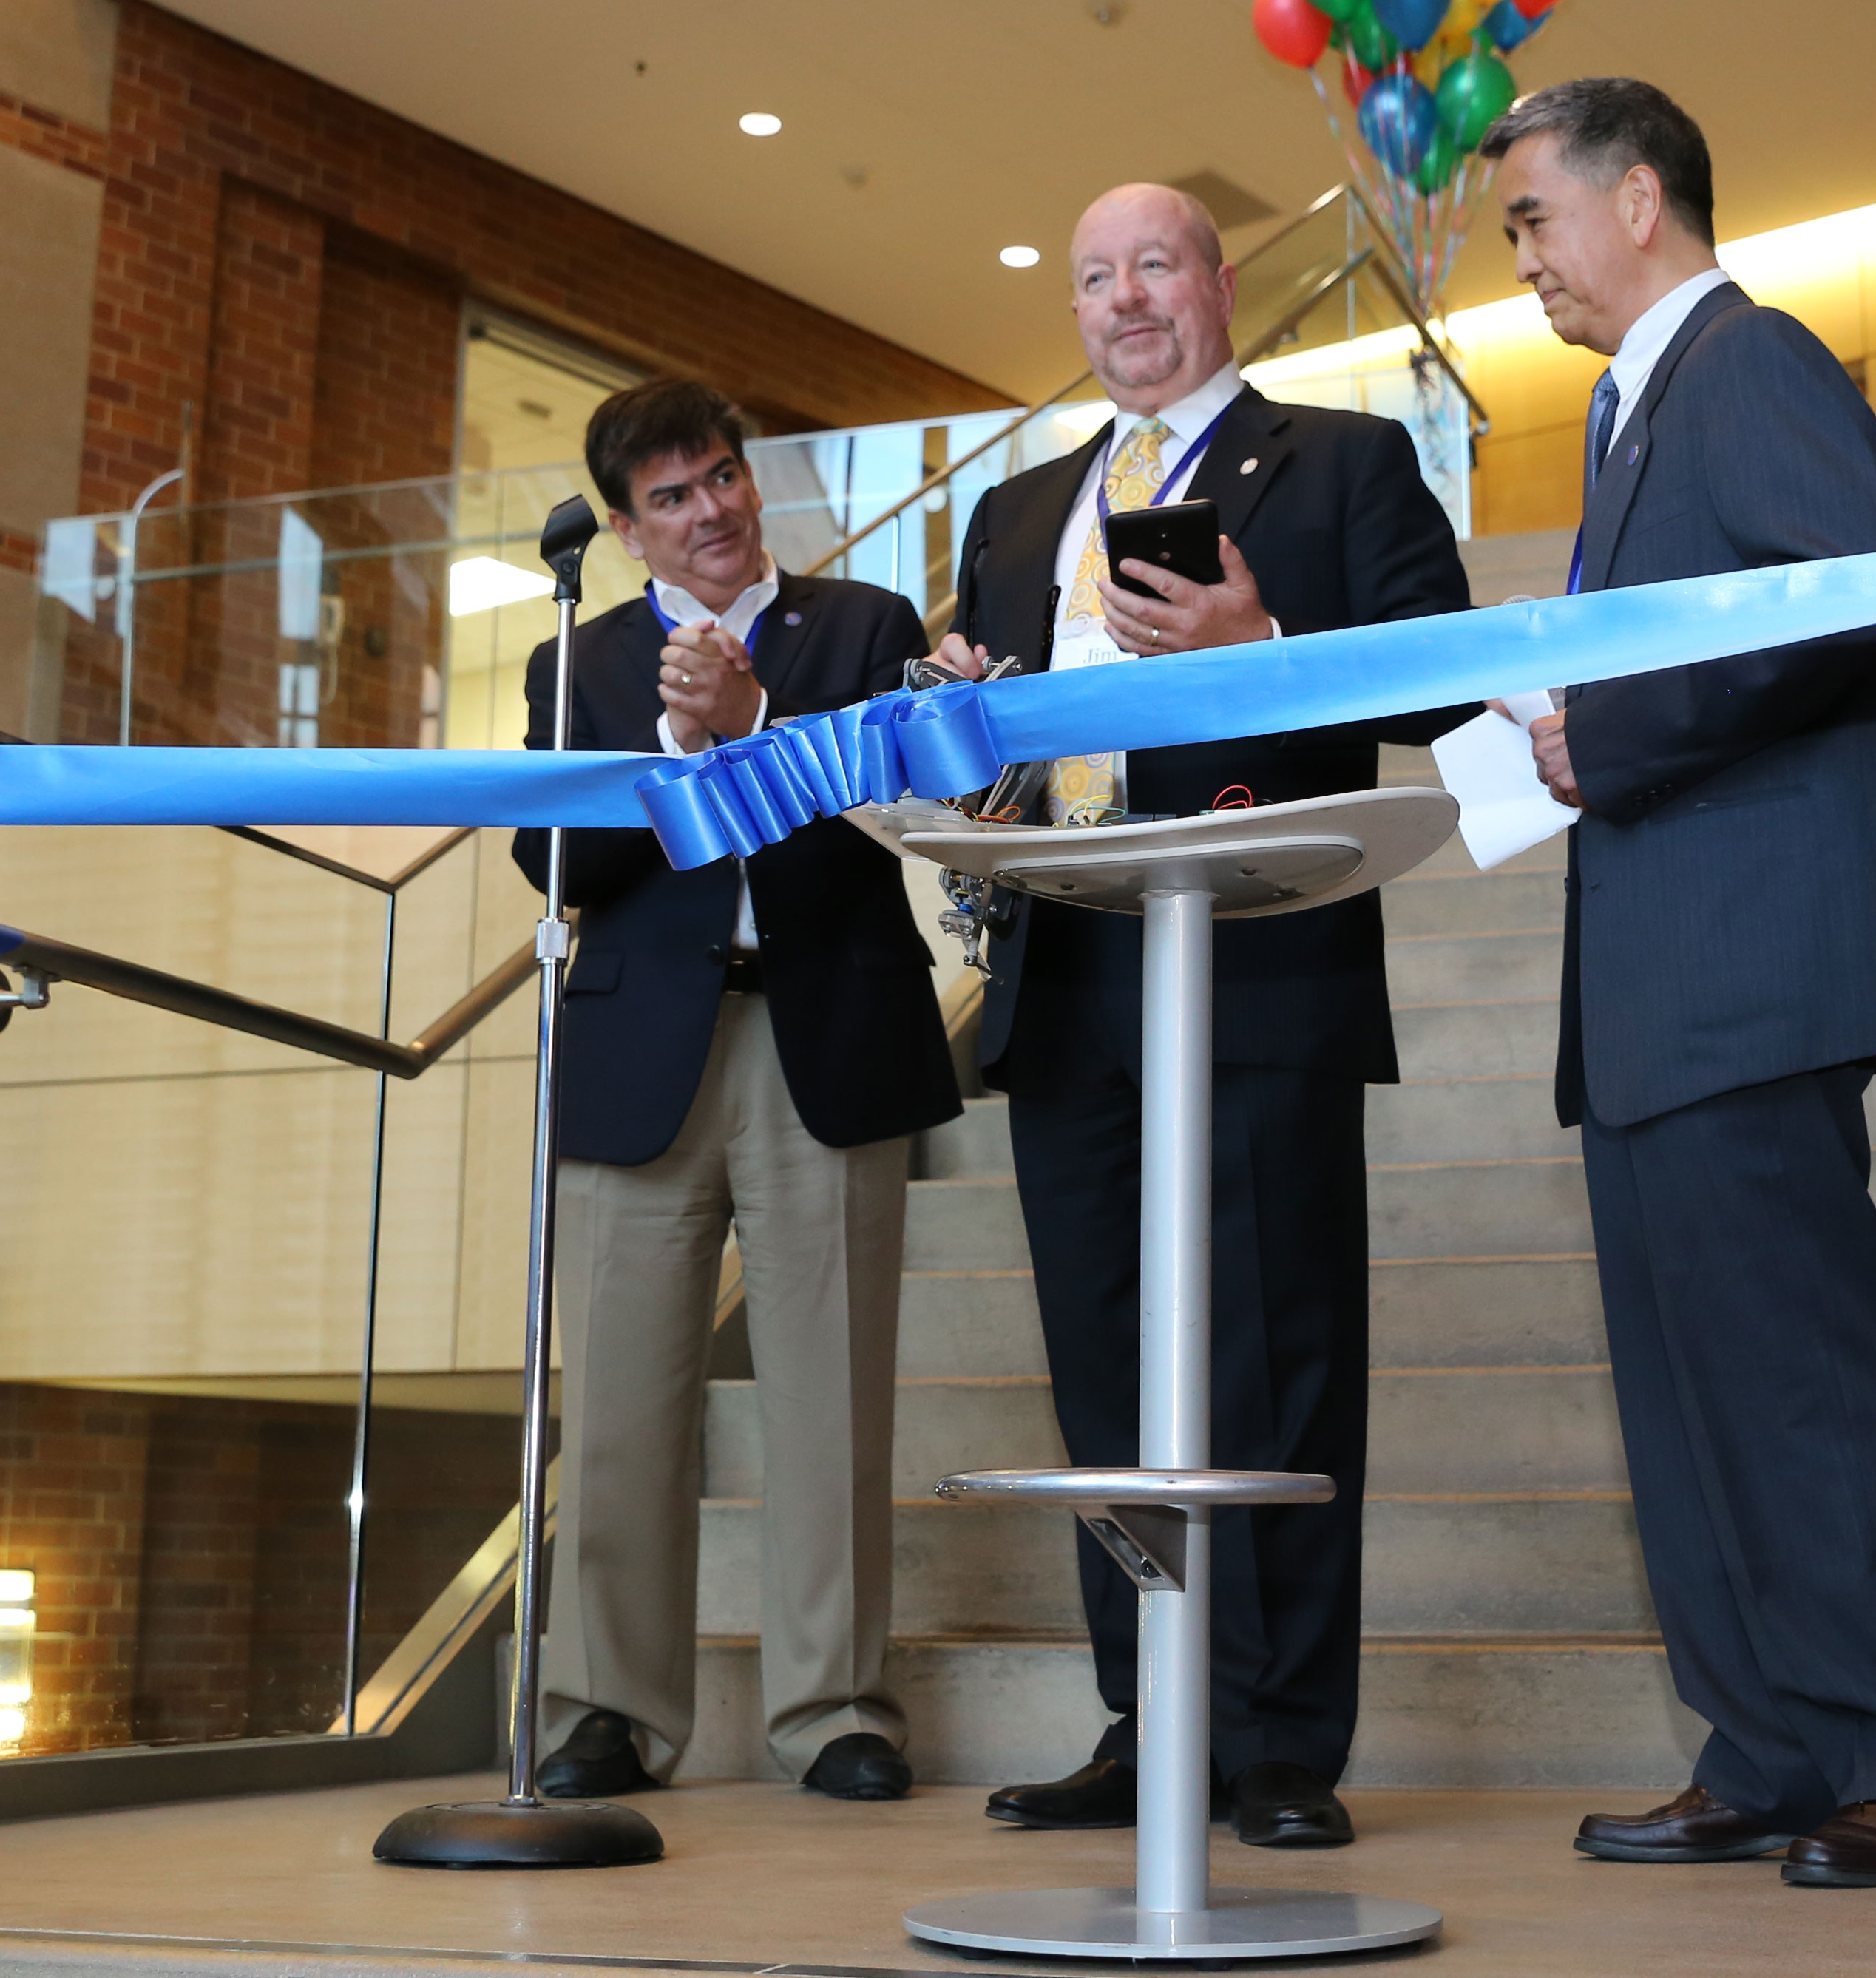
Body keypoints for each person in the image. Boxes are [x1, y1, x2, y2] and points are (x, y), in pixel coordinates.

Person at [927, 183, 1472, 1848]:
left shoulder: (1340, 462)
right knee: (1104, 1369)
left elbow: (1444, 673)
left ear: (1218, 283)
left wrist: (1267, 640)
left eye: (1151, 264)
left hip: (1260, 967)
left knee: (1277, 1356)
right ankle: (1146, 1716)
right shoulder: (1018, 514)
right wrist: (965, 727)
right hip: (1069, 970)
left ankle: (1286, 1739)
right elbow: (1002, 751)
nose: (1121, 301)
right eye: (1090, 278)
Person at [1485, 78, 1876, 1888]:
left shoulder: (1748, 361)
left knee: (1801, 1381)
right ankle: (1762, 1742)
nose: (1519, 259)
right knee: (1685, 1399)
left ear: (1636, 201)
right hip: (1654, 991)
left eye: (1532, 218)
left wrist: (1606, 732)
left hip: (1751, 966)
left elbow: (1834, 599)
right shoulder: (1628, 413)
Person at [515, 378, 961, 1803]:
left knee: (829, 1401)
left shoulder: (867, 630)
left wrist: (759, 714)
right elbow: (558, 867)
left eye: (720, 477)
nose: (708, 511)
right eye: (670, 497)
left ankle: (835, 1710)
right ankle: (609, 1713)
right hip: (638, 1056)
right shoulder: (577, 668)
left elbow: (876, 834)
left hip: (821, 1038)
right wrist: (675, 753)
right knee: (629, 1409)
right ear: (630, 530)